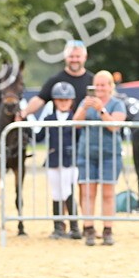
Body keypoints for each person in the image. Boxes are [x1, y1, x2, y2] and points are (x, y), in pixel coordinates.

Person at [74, 70, 127, 246]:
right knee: (88, 192)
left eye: (103, 85)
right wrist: (85, 108)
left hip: (109, 154)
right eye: (97, 85)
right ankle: (88, 229)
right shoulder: (85, 103)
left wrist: (101, 110)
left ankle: (108, 230)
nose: (100, 88)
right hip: (87, 154)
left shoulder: (117, 104)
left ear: (111, 87)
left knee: (108, 193)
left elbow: (114, 126)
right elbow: (76, 123)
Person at [35, 82, 81, 240]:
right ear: (54, 101)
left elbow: (80, 139)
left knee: (67, 191)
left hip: (70, 160)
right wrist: (25, 124)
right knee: (56, 193)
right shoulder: (50, 118)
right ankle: (58, 227)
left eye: (66, 100)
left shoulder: (76, 118)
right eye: (60, 99)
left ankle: (75, 227)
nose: (63, 102)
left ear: (71, 101)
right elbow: (39, 136)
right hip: (54, 159)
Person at [20, 40, 93, 120]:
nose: (74, 60)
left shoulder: (93, 80)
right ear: (65, 58)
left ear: (85, 57)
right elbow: (40, 99)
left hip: (84, 130)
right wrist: (23, 113)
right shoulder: (55, 80)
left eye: (78, 56)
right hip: (61, 131)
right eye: (71, 56)